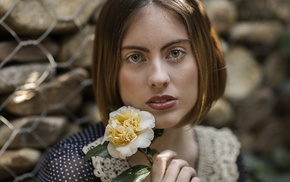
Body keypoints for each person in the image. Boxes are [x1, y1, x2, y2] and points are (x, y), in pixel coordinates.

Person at [37, 0, 246, 181]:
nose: (158, 78)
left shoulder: (224, 158)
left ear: (204, 58)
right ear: (111, 70)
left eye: (176, 52)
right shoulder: (69, 169)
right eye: (135, 57)